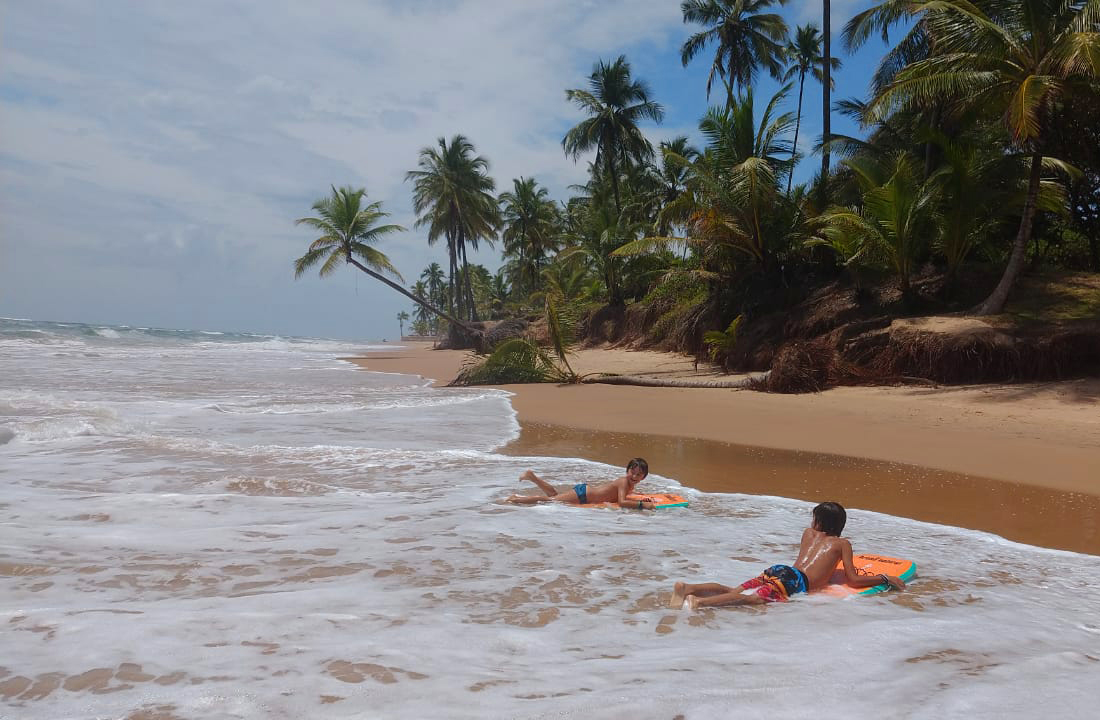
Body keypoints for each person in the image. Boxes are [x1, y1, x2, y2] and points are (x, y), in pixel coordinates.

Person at [668, 501, 906, 609]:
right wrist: (885, 578)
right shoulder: (842, 543)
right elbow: (853, 579)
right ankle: (699, 602)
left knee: (734, 590)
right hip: (796, 581)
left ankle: (688, 587)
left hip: (780, 570)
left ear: (818, 521)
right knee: (756, 600)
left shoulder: (808, 533)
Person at [506, 458, 656, 510]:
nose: (635, 477)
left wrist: (639, 497)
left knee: (554, 496)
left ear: (643, 477)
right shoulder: (624, 481)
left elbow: (621, 495)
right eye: (633, 472)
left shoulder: (629, 484)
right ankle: (515, 498)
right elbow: (622, 502)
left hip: (585, 493)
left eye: (639, 475)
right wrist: (643, 505)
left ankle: (532, 476)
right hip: (584, 495)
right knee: (549, 501)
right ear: (627, 470)